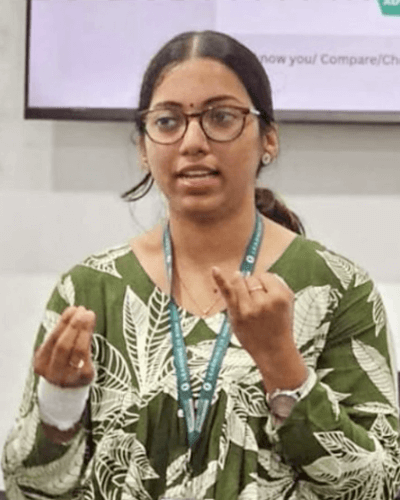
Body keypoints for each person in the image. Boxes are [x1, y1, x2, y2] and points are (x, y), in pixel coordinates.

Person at [2, 30, 400, 500]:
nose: (192, 141)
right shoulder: (89, 291)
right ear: (143, 147)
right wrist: (59, 407)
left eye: (221, 117)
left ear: (269, 139)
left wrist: (285, 368)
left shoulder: (335, 288)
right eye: (168, 121)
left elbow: (379, 487)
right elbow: (28, 489)